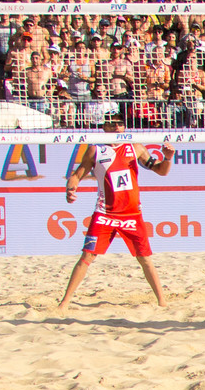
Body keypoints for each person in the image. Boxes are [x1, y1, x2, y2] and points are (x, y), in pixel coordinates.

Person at [57, 103, 175, 310]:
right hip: (105, 213)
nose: (117, 127)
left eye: (120, 123)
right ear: (104, 127)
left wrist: (167, 158)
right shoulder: (95, 150)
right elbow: (76, 175)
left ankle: (162, 302)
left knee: (145, 259)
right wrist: (70, 189)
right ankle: (64, 303)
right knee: (87, 256)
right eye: (112, 124)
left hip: (132, 214)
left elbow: (161, 171)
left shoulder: (135, 147)